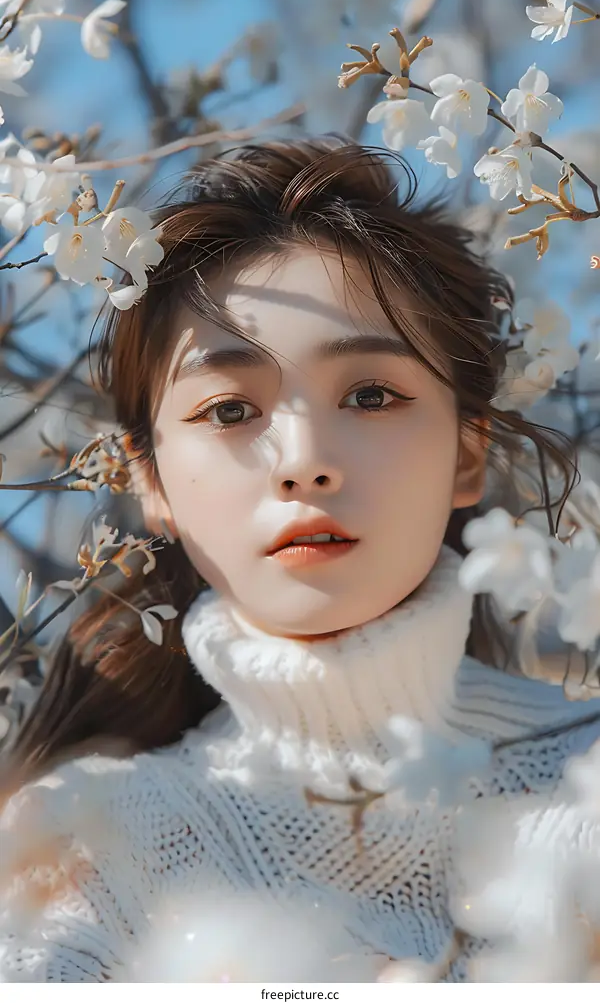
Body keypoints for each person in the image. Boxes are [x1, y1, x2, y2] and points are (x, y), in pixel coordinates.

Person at [1, 136, 599, 983]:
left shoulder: (585, 782)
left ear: (468, 454)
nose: (304, 458)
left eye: (370, 395)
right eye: (230, 408)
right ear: (152, 480)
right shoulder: (90, 838)